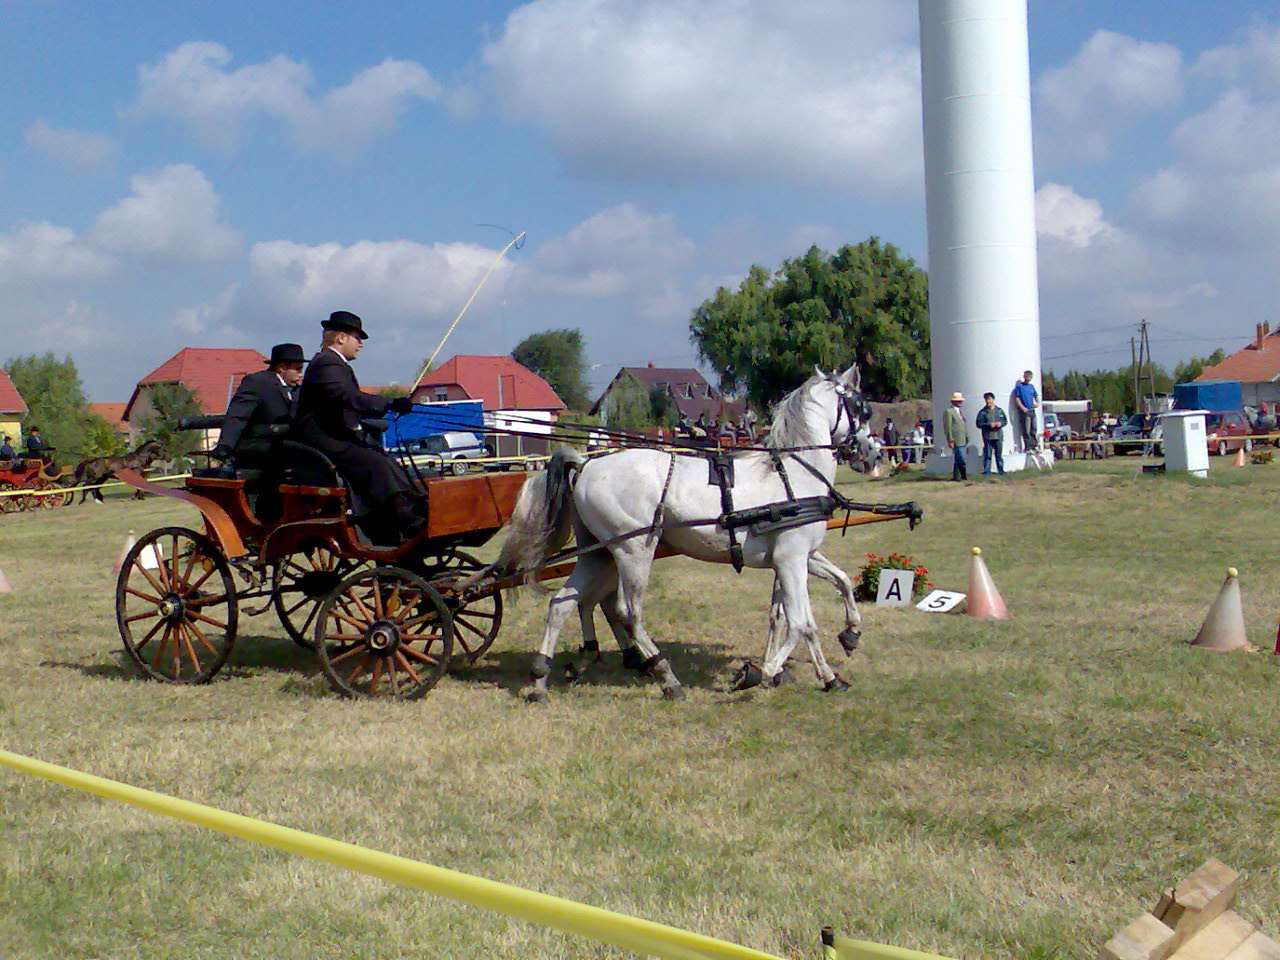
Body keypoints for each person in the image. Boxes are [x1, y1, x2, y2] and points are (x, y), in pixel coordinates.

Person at [293, 311, 422, 545]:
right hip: (324, 440)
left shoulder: (333, 364)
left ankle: (409, 509)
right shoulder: (327, 363)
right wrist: (389, 403)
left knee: (385, 460)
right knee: (376, 464)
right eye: (357, 338)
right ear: (340, 338)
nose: (361, 345)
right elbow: (347, 396)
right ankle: (405, 519)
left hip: (337, 436)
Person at [211, 343, 306, 469]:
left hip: (286, 446)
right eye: (297, 369)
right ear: (282, 368)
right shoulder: (257, 383)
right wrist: (225, 445)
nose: (300, 375)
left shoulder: (297, 390)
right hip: (259, 448)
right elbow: (238, 415)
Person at [975, 392, 1008, 476]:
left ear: (993, 399)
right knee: (988, 455)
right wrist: (989, 425)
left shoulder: (999, 410)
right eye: (986, 399)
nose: (988, 401)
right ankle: (986, 471)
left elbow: (1005, 421)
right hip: (988, 436)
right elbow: (978, 424)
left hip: (998, 436)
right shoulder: (982, 412)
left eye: (989, 399)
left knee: (999, 455)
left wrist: (1000, 424)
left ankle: (1001, 471)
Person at [1012, 370, 1039, 452]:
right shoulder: (1019, 387)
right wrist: (1022, 407)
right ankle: (1028, 447)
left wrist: (1037, 403)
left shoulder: (1031, 386)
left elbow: (1036, 395)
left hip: (1032, 410)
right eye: (1027, 376)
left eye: (1030, 377)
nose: (1028, 378)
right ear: (1024, 377)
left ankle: (1034, 445)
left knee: (1033, 429)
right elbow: (1017, 398)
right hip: (1025, 411)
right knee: (1026, 430)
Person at [944, 392, 968, 481]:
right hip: (956, 439)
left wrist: (967, 436)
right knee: (961, 458)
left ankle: (956, 476)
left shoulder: (960, 412)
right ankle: (963, 476)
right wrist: (950, 440)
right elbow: (948, 427)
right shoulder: (949, 412)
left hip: (963, 438)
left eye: (960, 401)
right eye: (958, 401)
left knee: (958, 458)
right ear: (953, 402)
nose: (960, 403)